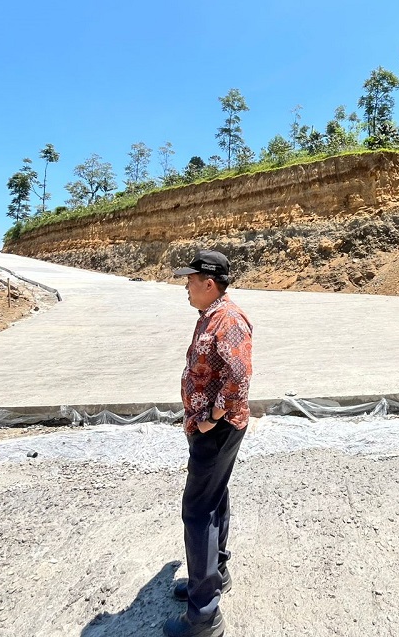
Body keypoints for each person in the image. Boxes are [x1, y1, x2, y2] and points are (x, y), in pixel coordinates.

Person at [165, 250, 252, 637]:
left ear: (209, 283)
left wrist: (210, 418)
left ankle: (204, 616)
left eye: (190, 281)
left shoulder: (228, 319)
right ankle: (214, 573)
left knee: (198, 512)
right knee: (214, 498)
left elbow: (239, 377)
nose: (186, 287)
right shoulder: (210, 315)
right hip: (209, 429)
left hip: (216, 431)